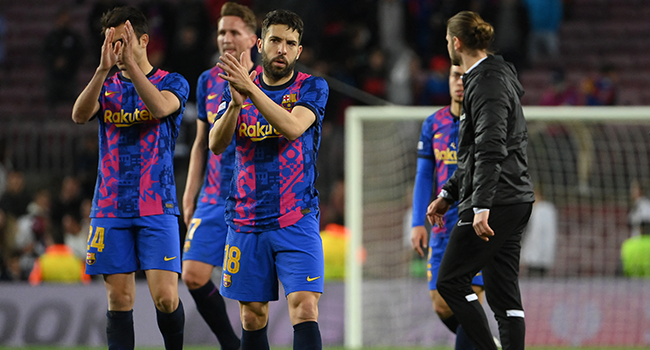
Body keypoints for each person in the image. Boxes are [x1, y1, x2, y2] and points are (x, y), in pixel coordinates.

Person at [209, 9, 329, 350]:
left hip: (297, 218)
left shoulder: (312, 87)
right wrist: (234, 105)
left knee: (305, 308)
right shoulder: (236, 89)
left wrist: (250, 90)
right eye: (275, 40)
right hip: (246, 220)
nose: (282, 49)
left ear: (299, 51)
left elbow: (292, 127)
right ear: (261, 44)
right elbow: (215, 145)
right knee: (252, 316)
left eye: (291, 43)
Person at [71, 6, 189, 350]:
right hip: (110, 206)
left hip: (157, 205)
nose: (118, 49)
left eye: (123, 41)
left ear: (143, 40)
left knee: (166, 299)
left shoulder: (172, 81)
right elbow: (79, 115)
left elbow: (160, 108)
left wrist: (131, 69)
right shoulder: (105, 87)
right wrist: (102, 69)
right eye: (112, 42)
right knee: (119, 300)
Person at [427, 11, 535, 350]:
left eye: (447, 41)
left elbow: (490, 148)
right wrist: (448, 192)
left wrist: (481, 204)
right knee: (504, 298)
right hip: (514, 197)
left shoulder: (486, 82)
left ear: (456, 43)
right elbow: (476, 153)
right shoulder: (494, 75)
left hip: (496, 200)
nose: (447, 46)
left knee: (450, 281)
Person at [180, 2, 259, 349]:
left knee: (251, 299)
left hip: (254, 200)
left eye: (234, 32)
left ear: (254, 39)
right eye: (221, 32)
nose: (226, 39)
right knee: (193, 275)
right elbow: (200, 144)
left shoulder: (268, 81)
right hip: (213, 198)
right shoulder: (207, 80)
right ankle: (230, 343)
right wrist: (189, 192)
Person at [411, 64, 485, 350]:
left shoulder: (483, 121)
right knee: (442, 304)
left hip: (474, 222)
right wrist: (418, 222)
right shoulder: (434, 123)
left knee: (470, 296)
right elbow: (424, 175)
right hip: (442, 225)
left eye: (466, 77)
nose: (460, 82)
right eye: (455, 76)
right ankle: (484, 343)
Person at [520, 189, 558, 277]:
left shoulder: (540, 210)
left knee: (535, 276)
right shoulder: (548, 209)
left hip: (536, 253)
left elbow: (536, 232)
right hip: (542, 253)